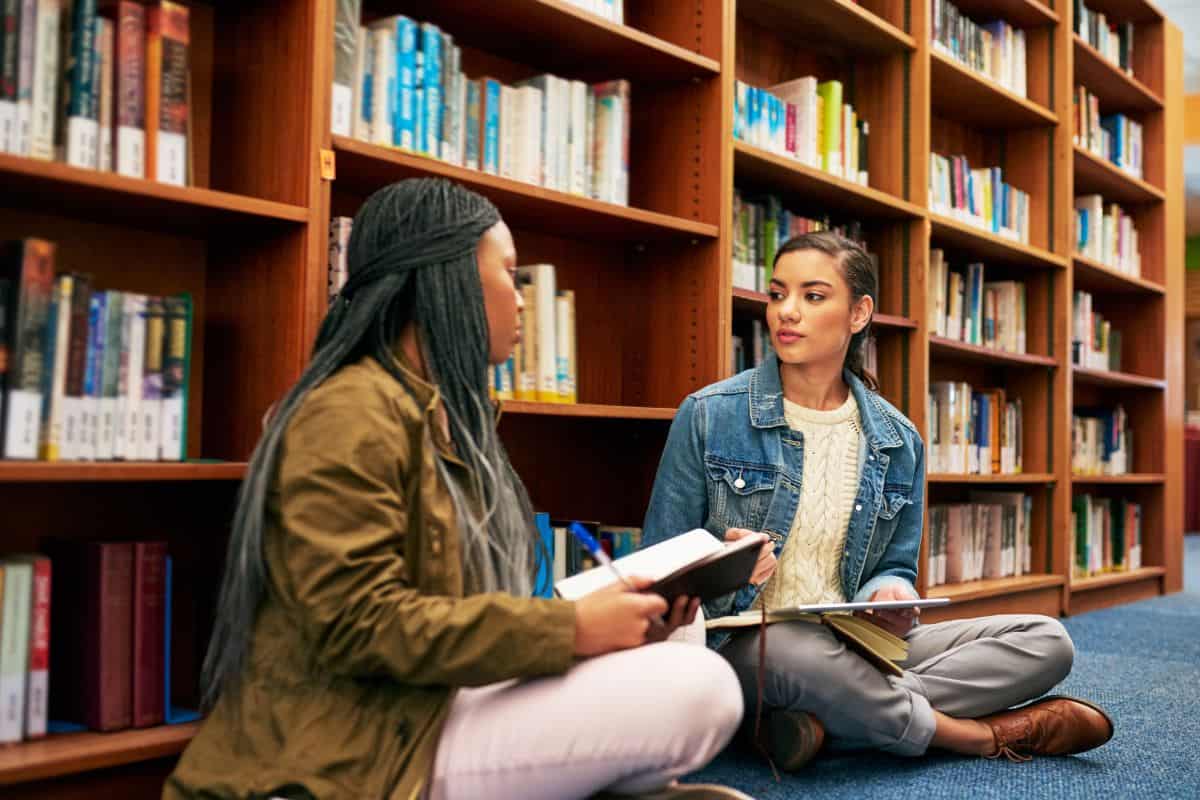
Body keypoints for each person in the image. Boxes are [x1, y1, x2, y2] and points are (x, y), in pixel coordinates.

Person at [164, 178, 753, 800]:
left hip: (431, 703)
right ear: (445, 280)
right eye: (509, 275)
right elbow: (357, 624)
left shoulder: (448, 418)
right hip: (366, 742)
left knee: (680, 642)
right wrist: (570, 630)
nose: (523, 301)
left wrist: (609, 627)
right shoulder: (349, 412)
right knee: (702, 686)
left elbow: (462, 617)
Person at [642, 230, 1114, 771]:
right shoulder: (707, 415)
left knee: (1047, 639)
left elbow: (893, 564)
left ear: (859, 313)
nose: (786, 312)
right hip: (746, 643)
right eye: (777, 294)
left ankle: (828, 723)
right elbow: (658, 568)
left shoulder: (897, 438)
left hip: (856, 642)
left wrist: (889, 590)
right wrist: (724, 567)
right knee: (803, 652)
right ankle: (979, 735)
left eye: (813, 297)